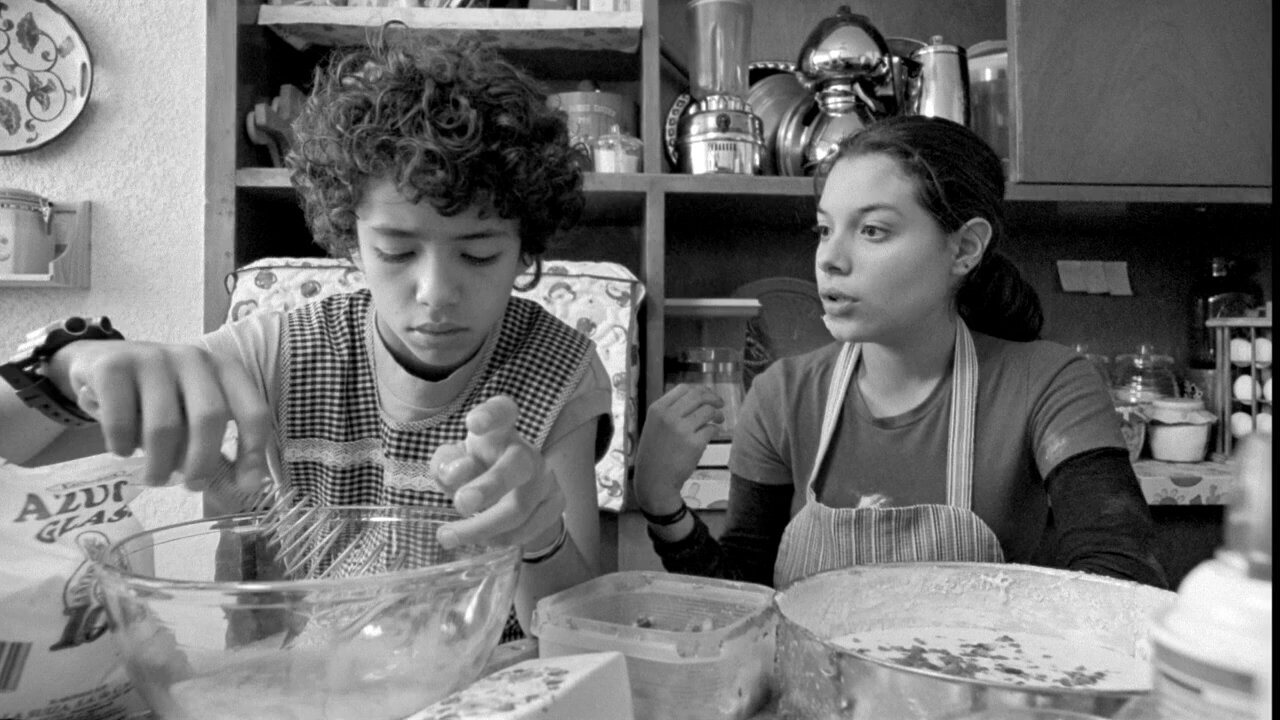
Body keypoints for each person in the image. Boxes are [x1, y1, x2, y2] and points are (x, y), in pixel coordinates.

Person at [0, 35, 612, 637]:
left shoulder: (558, 370)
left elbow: (573, 628)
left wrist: (540, 534)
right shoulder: (281, 352)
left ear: (525, 249)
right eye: (396, 251)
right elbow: (16, 443)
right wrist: (68, 365)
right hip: (298, 676)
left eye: (478, 255)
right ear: (351, 241)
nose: (435, 292)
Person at [634, 115, 1168, 590]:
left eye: (872, 230)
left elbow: (1122, 581)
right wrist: (662, 505)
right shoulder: (781, 397)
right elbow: (743, 599)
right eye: (824, 229)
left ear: (964, 248)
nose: (830, 259)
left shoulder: (1048, 385)